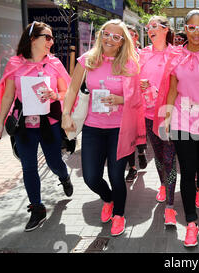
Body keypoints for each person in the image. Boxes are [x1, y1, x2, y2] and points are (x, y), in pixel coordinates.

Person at [153, 9, 199, 247]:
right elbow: (172, 89)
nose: (196, 32)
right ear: (185, 28)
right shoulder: (176, 57)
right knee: (187, 170)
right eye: (192, 27)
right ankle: (192, 224)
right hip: (181, 120)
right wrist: (166, 118)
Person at [61, 19, 145, 237]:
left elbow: (136, 97)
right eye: (107, 34)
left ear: (121, 42)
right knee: (90, 177)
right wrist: (66, 114)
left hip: (119, 128)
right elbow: (71, 89)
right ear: (100, 35)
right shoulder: (87, 60)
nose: (110, 39)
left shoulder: (130, 64)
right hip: (92, 128)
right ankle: (107, 198)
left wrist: (120, 99)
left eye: (116, 37)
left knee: (117, 176)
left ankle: (119, 214)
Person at [0, 21, 72, 232]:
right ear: (32, 39)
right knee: (28, 167)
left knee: (55, 162)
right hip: (24, 124)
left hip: (49, 122)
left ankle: (64, 177)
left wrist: (56, 95)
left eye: (52, 37)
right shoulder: (14, 64)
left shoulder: (54, 63)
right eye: (47, 37)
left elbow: (67, 92)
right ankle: (37, 208)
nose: (51, 41)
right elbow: (8, 95)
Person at [139, 15, 178, 225]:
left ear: (165, 29)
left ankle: (170, 206)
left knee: (170, 160)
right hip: (147, 114)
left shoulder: (177, 54)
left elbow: (182, 84)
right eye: (148, 27)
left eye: (154, 26)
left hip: (169, 116)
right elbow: (132, 78)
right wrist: (140, 85)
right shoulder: (142, 54)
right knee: (160, 157)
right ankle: (163, 184)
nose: (150, 30)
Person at [125, 24, 148, 182]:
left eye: (132, 34)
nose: (129, 37)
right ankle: (132, 168)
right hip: (125, 103)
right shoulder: (117, 57)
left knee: (140, 133)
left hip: (142, 101)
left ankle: (141, 152)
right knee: (128, 136)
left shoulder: (143, 55)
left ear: (136, 38)